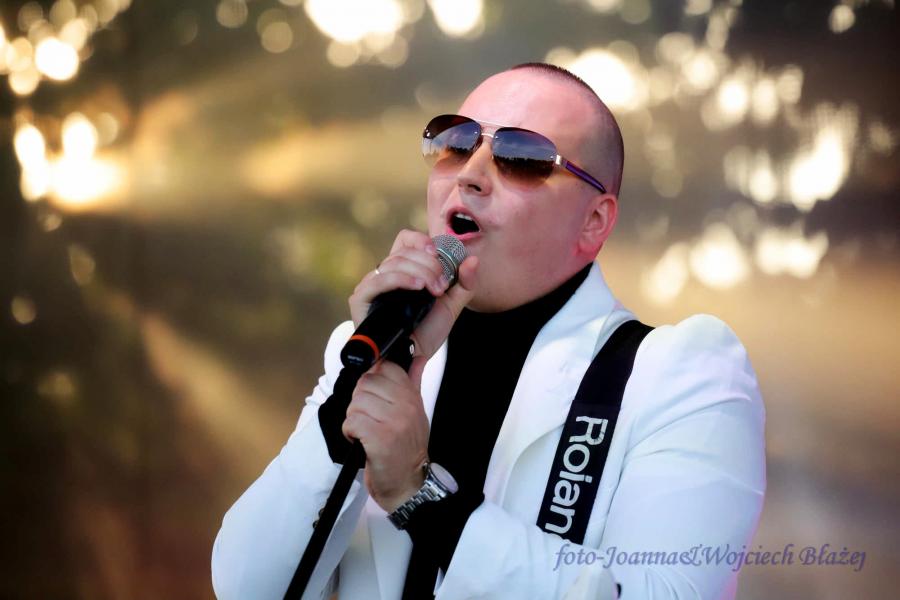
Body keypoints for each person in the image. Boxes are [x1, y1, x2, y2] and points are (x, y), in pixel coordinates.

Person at [211, 63, 766, 599]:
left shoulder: (677, 373)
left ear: (594, 221)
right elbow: (247, 588)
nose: (470, 174)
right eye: (456, 143)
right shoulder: (367, 348)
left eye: (521, 158)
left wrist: (420, 497)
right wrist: (343, 419)